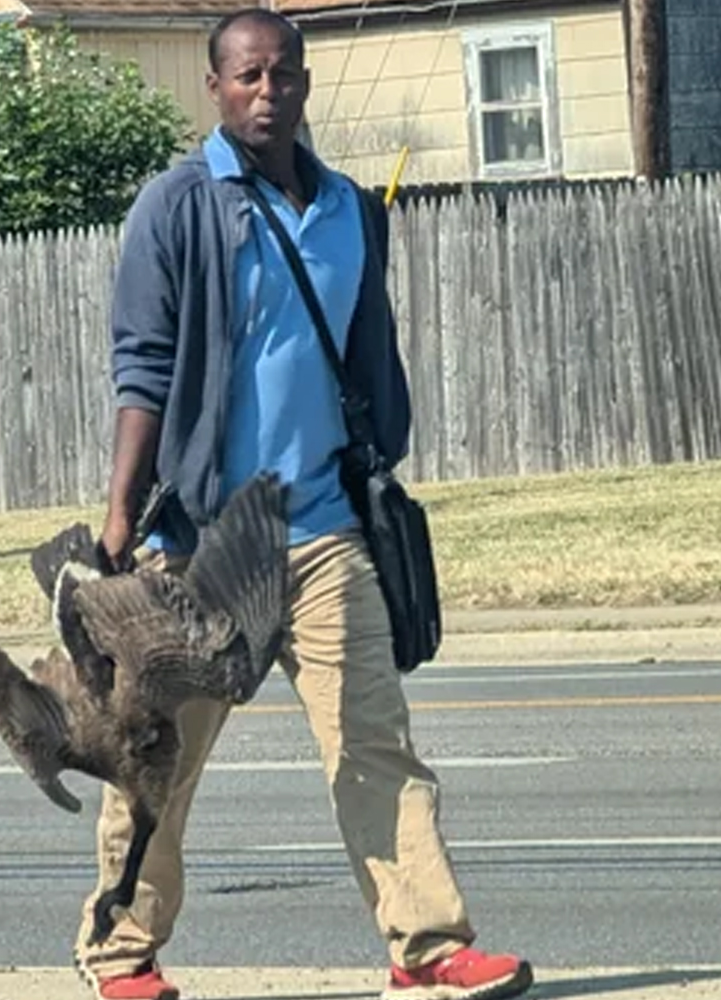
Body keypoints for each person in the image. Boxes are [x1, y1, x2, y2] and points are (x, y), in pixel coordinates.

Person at [78, 10, 531, 1000]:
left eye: (283, 73)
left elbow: (365, 356)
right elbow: (141, 367)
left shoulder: (348, 211)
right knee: (155, 759)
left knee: (374, 742)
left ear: (304, 84)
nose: (266, 90)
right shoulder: (175, 207)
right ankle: (120, 954)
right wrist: (118, 520)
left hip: (321, 530)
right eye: (246, 75)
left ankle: (427, 949)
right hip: (198, 544)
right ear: (213, 86)